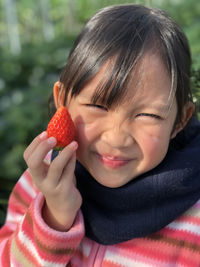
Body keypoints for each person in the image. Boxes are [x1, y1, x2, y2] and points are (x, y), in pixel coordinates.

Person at [1, 3, 200, 266]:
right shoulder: (42, 182)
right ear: (62, 100)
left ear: (179, 121)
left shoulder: (193, 219)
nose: (116, 139)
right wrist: (54, 216)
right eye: (98, 106)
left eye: (148, 116)